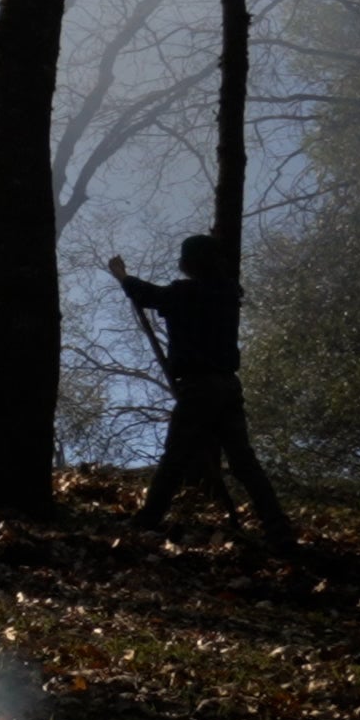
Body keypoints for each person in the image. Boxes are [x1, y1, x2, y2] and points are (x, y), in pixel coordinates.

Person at [108, 236, 298, 552]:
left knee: (176, 457)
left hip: (199, 388)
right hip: (228, 387)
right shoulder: (227, 295)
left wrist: (122, 276)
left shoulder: (187, 293)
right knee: (243, 462)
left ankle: (147, 520)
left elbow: (148, 296)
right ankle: (278, 529)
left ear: (189, 263)